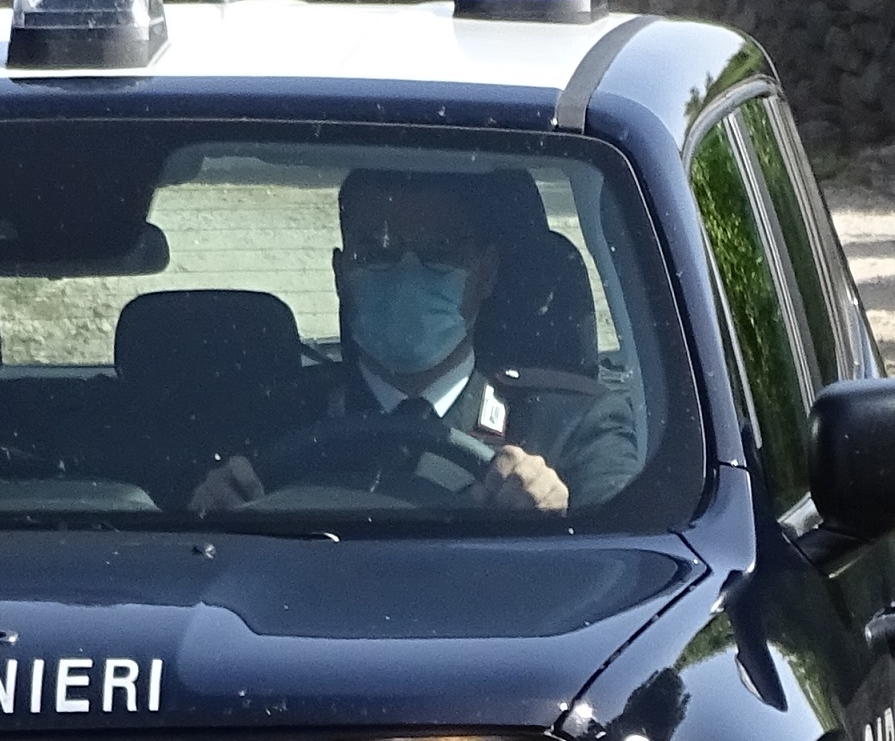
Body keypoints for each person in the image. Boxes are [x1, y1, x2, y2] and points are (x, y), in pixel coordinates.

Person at [189, 170, 642, 517]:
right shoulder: (267, 424)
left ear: (485, 274)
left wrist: (560, 522)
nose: (408, 273)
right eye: (378, 250)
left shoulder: (572, 427)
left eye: (439, 250)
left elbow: (632, 570)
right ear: (342, 275)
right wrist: (209, 514)